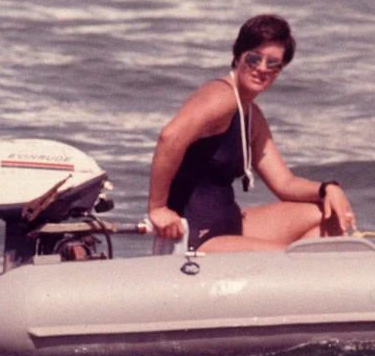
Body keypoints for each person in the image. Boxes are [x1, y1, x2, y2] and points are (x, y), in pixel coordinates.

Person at [148, 14, 357, 252]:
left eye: (273, 64)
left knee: (327, 217)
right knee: (295, 258)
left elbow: (284, 183)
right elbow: (170, 137)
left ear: (279, 70)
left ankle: (299, 280)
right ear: (238, 56)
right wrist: (158, 208)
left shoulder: (251, 115)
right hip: (197, 235)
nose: (262, 69)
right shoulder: (220, 96)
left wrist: (328, 189)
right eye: (255, 58)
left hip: (230, 225)